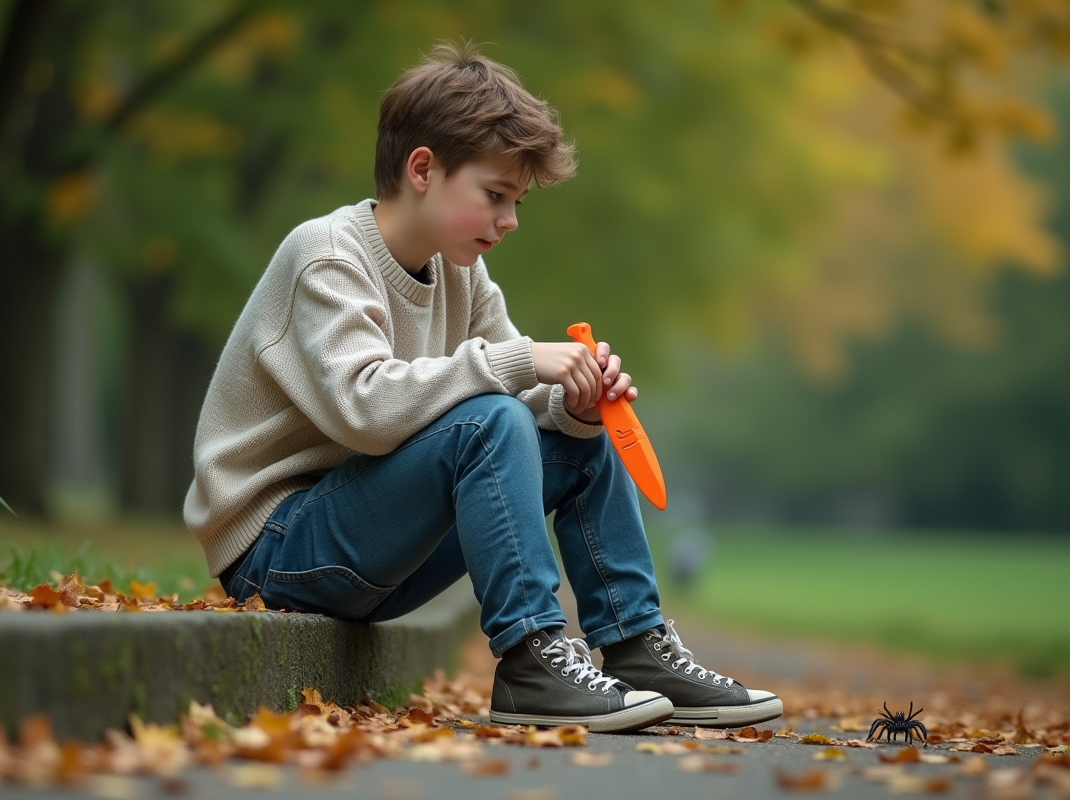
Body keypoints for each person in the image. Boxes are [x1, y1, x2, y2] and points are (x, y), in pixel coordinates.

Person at [184, 41, 781, 733]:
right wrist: (524, 361)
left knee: (578, 442)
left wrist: (578, 406)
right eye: (495, 196)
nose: (511, 220)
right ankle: (530, 659)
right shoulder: (328, 255)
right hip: (278, 551)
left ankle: (635, 645)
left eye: (517, 201)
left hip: (376, 544)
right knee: (490, 421)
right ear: (422, 170)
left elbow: (521, 402)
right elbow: (367, 409)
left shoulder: (461, 273)